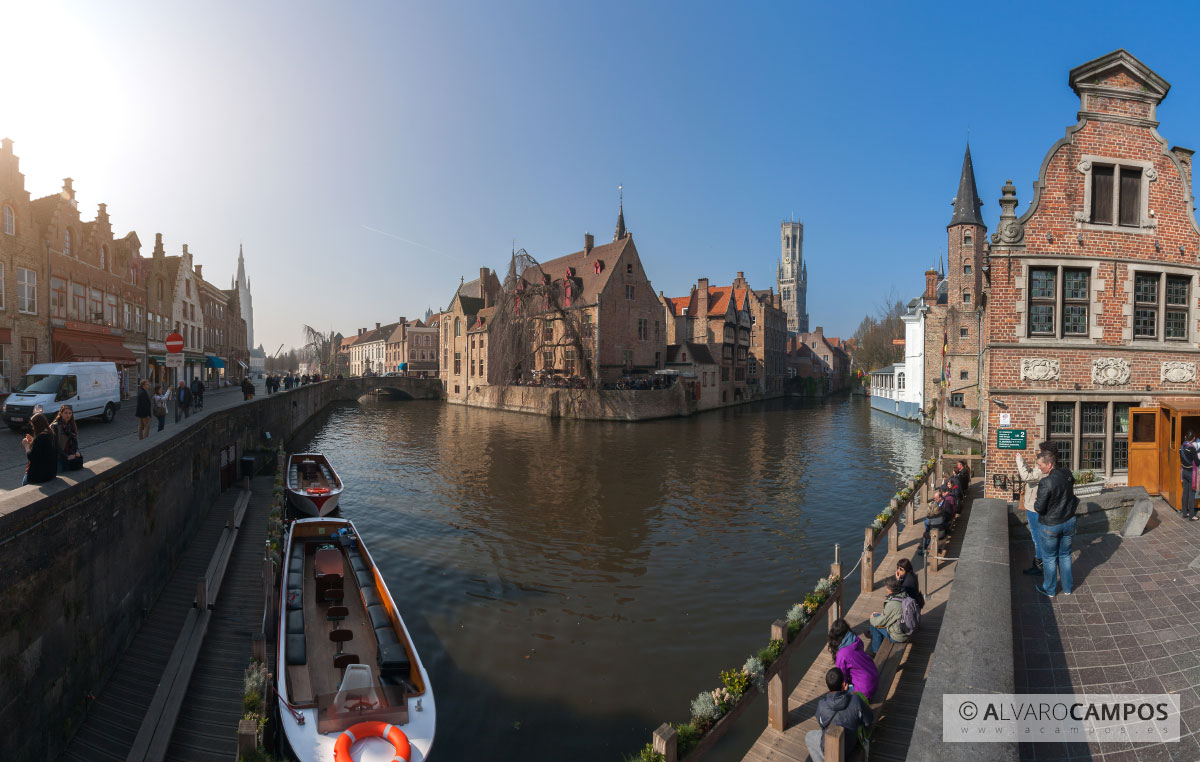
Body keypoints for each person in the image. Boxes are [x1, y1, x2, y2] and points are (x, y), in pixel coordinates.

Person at [1035, 448, 1079, 598]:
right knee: (1065, 555)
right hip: (1068, 521)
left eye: (1040, 465)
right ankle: (1067, 588)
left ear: (1050, 464)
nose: (1038, 467)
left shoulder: (1046, 482)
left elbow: (1039, 507)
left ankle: (1050, 589)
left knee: (1049, 558)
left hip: (1050, 525)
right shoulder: (1066, 473)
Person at [804, 667, 874, 762]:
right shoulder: (856, 700)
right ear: (843, 684)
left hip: (828, 748)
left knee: (809, 736)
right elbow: (869, 720)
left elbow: (822, 724)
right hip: (849, 747)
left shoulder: (822, 705)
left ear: (828, 686)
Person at [827, 618, 879, 701]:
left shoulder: (842, 654)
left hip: (865, 690)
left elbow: (842, 678)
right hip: (873, 675)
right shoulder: (856, 639)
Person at [1016, 448, 1049, 574]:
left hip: (1034, 508)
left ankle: (1039, 565)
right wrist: (1023, 461)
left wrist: (1018, 459)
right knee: (1040, 537)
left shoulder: (1042, 471)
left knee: (1037, 538)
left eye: (1040, 450)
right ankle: (1042, 561)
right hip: (1035, 507)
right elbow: (1031, 472)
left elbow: (1027, 476)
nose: (1038, 451)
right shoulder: (1044, 469)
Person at [867, 576, 912, 654]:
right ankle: (873, 636)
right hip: (907, 630)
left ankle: (875, 651)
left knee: (874, 623)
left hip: (898, 636)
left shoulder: (893, 604)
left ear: (890, 590)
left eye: (887, 587)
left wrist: (872, 618)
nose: (886, 589)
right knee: (877, 617)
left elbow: (880, 622)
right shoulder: (904, 595)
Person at [21, 412, 57, 485]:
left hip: (40, 475)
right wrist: (33, 441)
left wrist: (26, 446)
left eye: (33, 426)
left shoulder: (40, 438)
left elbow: (31, 457)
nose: (33, 428)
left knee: (24, 483)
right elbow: (42, 450)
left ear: (37, 425)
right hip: (51, 472)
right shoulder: (51, 434)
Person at [918, 488, 954, 555]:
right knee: (929, 525)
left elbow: (948, 517)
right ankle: (924, 546)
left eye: (936, 498)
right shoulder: (941, 513)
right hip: (942, 530)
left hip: (940, 532)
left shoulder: (946, 505)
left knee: (926, 531)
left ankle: (924, 548)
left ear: (940, 497)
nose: (934, 500)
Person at [50, 405, 82, 471]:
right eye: (66, 413)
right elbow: (55, 445)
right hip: (60, 457)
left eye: (70, 413)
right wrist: (66, 456)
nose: (68, 415)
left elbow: (75, 441)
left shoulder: (71, 425)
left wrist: (76, 451)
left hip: (71, 454)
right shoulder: (55, 426)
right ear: (61, 414)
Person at [1181, 431, 1199, 521]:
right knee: (1192, 494)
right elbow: (1197, 462)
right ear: (1194, 438)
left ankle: (1185, 513)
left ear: (1185, 437)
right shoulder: (1192, 448)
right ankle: (1192, 515)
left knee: (1185, 493)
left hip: (1184, 471)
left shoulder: (1182, 446)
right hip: (1191, 472)